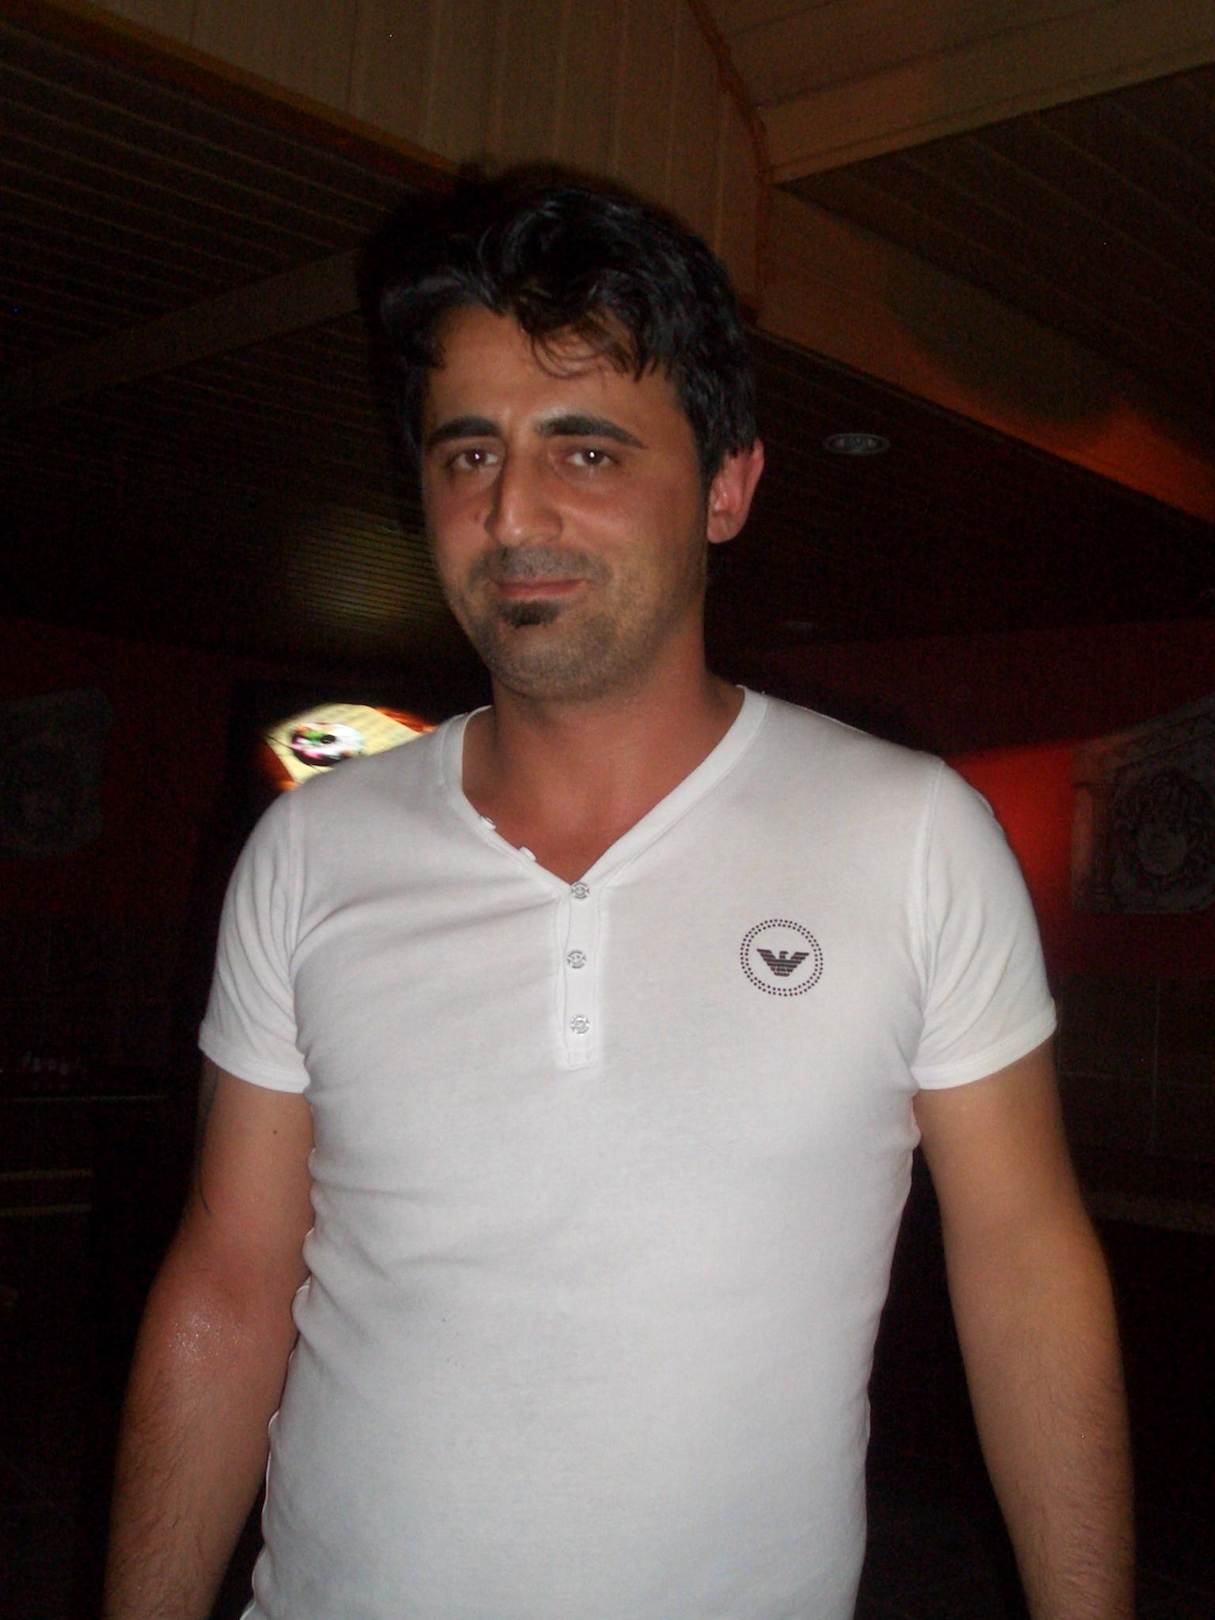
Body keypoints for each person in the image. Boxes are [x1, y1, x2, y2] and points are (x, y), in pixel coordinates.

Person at [104, 173, 1133, 1620]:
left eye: (584, 450)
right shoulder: (312, 851)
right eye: (468, 453)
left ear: (727, 487)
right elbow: (227, 1281)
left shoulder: (911, 839)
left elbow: (1026, 1270)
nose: (510, 511)